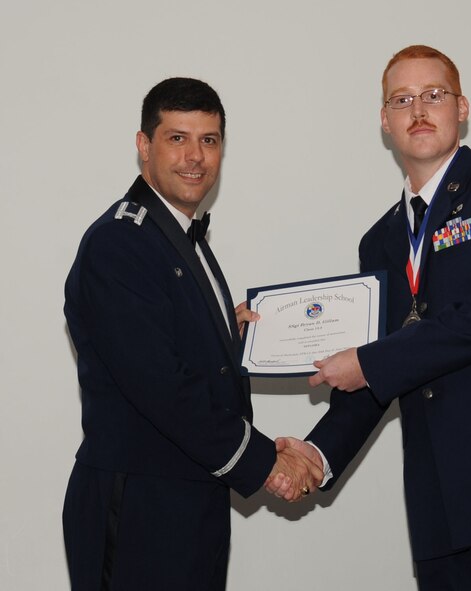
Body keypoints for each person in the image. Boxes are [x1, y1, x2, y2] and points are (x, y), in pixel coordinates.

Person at [269, 45, 471, 590]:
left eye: (434, 95)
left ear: (462, 107)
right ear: (385, 121)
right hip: (439, 500)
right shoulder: (382, 240)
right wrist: (317, 453)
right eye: (402, 99)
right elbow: (382, 367)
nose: (418, 109)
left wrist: (368, 361)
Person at [62, 77, 321, 590]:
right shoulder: (120, 243)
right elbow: (160, 384)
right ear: (144, 145)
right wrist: (265, 462)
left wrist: (232, 333)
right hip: (138, 505)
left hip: (188, 496)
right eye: (177, 138)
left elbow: (173, 344)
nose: (195, 157)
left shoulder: (178, 235)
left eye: (209, 140)